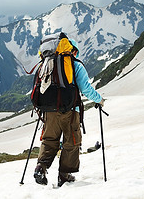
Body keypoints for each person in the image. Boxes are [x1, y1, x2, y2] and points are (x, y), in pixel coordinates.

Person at [34, 39, 104, 187]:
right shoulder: (75, 65)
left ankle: (41, 167)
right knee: (71, 142)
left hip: (48, 111)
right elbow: (85, 89)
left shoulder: (47, 64)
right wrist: (99, 100)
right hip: (70, 111)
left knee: (49, 140)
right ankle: (64, 176)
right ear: (72, 51)